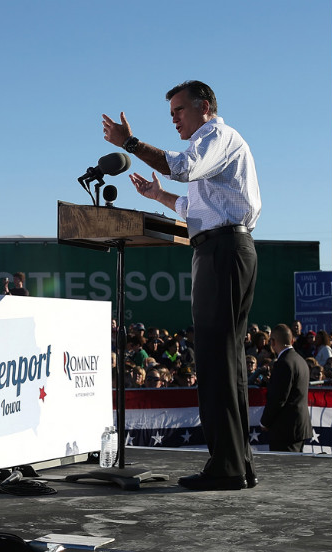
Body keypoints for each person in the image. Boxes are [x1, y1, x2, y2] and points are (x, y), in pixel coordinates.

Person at [103, 80, 261, 491]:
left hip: (223, 250)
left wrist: (132, 143)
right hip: (222, 247)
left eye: (179, 110)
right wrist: (159, 196)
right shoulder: (212, 148)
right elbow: (194, 205)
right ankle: (238, 464)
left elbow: (184, 166)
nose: (173, 118)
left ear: (204, 106)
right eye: (170, 112)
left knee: (214, 360)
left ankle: (227, 466)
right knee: (223, 361)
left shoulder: (216, 135)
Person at [260, 324, 313, 452]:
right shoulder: (301, 360)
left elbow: (278, 398)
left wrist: (265, 422)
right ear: (291, 340)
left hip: (286, 431)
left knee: (284, 471)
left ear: (272, 342)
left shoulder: (284, 363)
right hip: (298, 428)